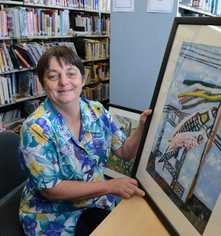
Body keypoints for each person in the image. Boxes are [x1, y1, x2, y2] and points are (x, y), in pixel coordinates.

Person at [19, 46, 151, 236]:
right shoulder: (35, 128)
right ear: (42, 83)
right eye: (53, 76)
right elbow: (51, 190)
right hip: (52, 215)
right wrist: (109, 186)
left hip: (95, 201)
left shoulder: (97, 111)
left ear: (83, 78)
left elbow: (125, 152)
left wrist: (142, 128)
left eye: (71, 74)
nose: (64, 82)